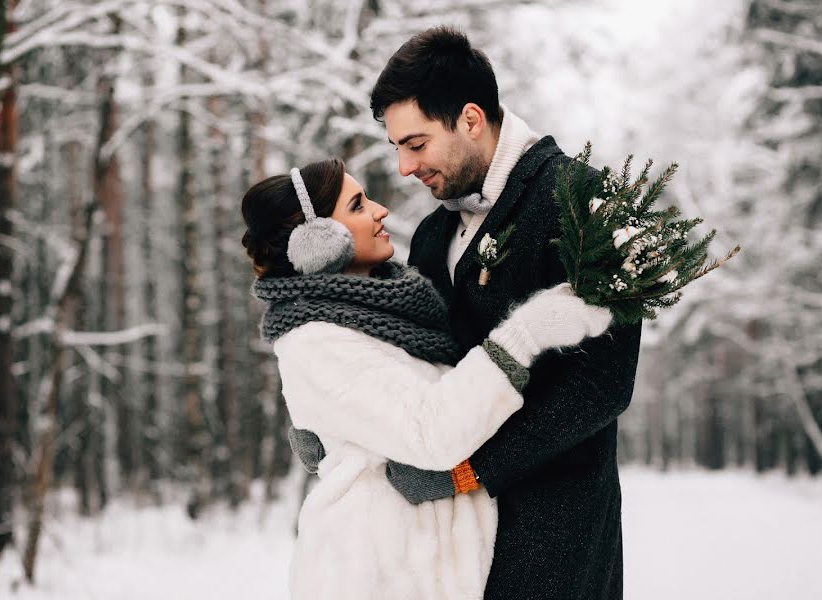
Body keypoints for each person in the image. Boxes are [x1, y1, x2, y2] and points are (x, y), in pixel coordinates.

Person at [293, 27, 643, 599]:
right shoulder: (433, 234)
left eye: (416, 143)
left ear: (471, 119)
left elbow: (602, 385)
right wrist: (331, 415)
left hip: (552, 532)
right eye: (397, 147)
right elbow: (411, 358)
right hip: (444, 547)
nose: (405, 167)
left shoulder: (580, 201)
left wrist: (469, 472)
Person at [241, 158, 613, 600]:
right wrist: (525, 333)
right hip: (374, 574)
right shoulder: (317, 339)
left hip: (420, 569)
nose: (380, 210)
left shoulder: (383, 315)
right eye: (358, 205)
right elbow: (431, 431)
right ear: (319, 242)